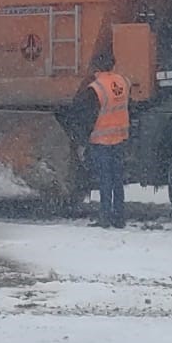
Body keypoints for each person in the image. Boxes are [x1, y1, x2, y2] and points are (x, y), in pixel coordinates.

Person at [66, 50, 130, 228]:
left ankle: (105, 216)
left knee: (104, 179)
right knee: (117, 179)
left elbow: (88, 117)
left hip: (101, 141)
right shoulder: (122, 82)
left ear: (96, 66)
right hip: (119, 138)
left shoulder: (96, 88)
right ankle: (119, 217)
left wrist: (82, 140)